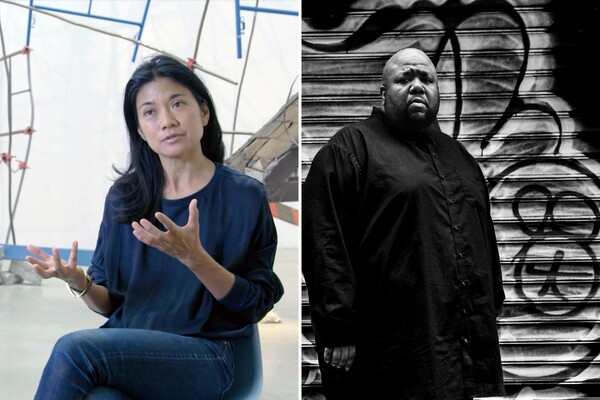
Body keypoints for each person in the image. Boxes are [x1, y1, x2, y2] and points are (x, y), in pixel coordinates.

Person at [25, 53, 284, 400]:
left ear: (203, 112)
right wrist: (79, 282)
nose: (167, 121)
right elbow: (110, 304)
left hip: (212, 356)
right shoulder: (124, 198)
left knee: (75, 350)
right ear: (140, 130)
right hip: (137, 352)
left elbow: (255, 303)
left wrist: (196, 259)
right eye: (150, 112)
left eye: (177, 104)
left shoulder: (243, 196)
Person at [302, 47, 505, 399]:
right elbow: (324, 240)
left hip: (467, 346)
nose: (416, 86)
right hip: (390, 347)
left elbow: (484, 240)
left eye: (426, 78)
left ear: (438, 91)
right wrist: (338, 328)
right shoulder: (351, 149)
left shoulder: (460, 158)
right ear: (383, 93)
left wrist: (491, 309)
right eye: (404, 78)